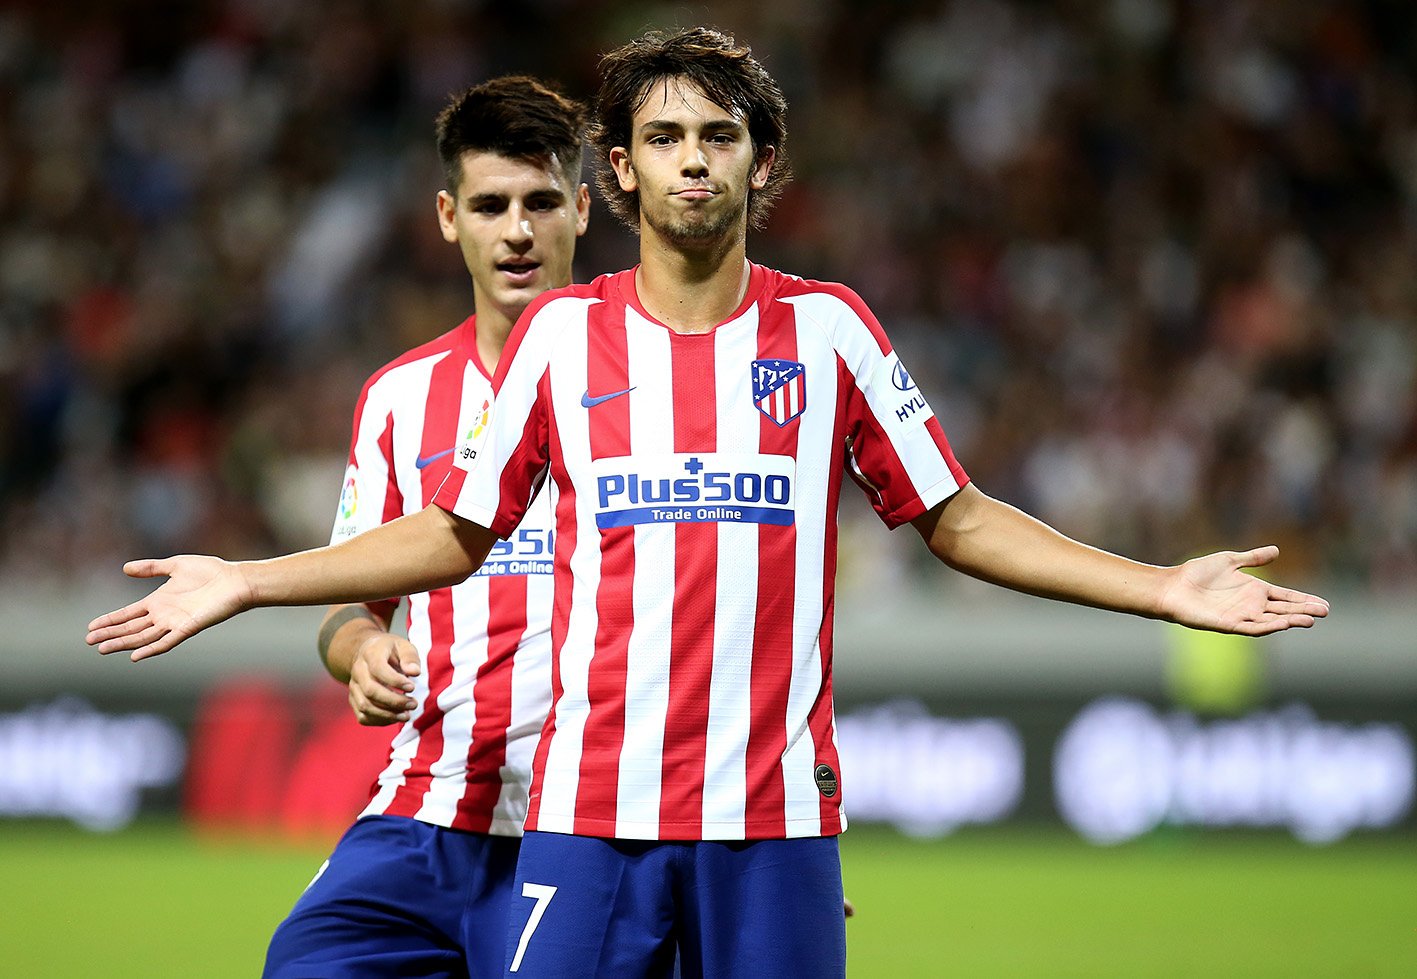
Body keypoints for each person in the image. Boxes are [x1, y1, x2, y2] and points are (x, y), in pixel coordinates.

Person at [88, 27, 1329, 978]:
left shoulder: (829, 330)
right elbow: (453, 532)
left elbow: (957, 516)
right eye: (667, 138)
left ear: (761, 160)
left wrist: (1162, 584)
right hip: (582, 823)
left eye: (720, 135)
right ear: (620, 172)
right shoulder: (565, 343)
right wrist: (252, 580)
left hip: (777, 829)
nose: (695, 158)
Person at [262, 75, 589, 978]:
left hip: (586, 825)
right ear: (449, 217)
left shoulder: (655, 384)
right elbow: (347, 606)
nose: (517, 230)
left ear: (584, 209)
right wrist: (360, 652)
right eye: (490, 205)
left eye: (540, 202)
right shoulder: (401, 399)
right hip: (424, 808)